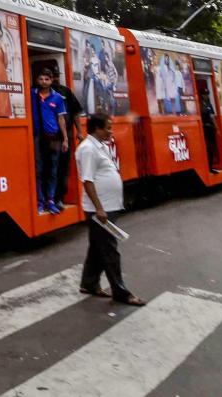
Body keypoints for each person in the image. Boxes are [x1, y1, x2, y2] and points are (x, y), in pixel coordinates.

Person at [77, 112, 146, 306]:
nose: (110, 131)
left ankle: (89, 283)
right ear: (97, 128)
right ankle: (121, 292)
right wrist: (99, 209)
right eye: (108, 127)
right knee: (109, 249)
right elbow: (87, 181)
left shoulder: (98, 146)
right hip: (101, 208)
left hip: (107, 206)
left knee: (98, 247)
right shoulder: (89, 149)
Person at [31, 69, 68, 215]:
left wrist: (65, 138)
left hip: (53, 136)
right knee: (39, 170)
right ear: (36, 80)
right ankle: (40, 201)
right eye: (41, 78)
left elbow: (61, 119)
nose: (43, 82)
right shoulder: (31, 95)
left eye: (46, 79)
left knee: (52, 169)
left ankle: (50, 200)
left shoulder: (58, 98)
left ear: (51, 80)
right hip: (37, 136)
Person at [48, 68, 84, 207]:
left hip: (64, 136)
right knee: (50, 167)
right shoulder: (39, 93)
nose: (55, 78)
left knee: (62, 167)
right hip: (48, 136)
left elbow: (75, 113)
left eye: (56, 75)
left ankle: (59, 198)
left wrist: (79, 131)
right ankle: (50, 198)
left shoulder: (65, 91)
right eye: (52, 76)